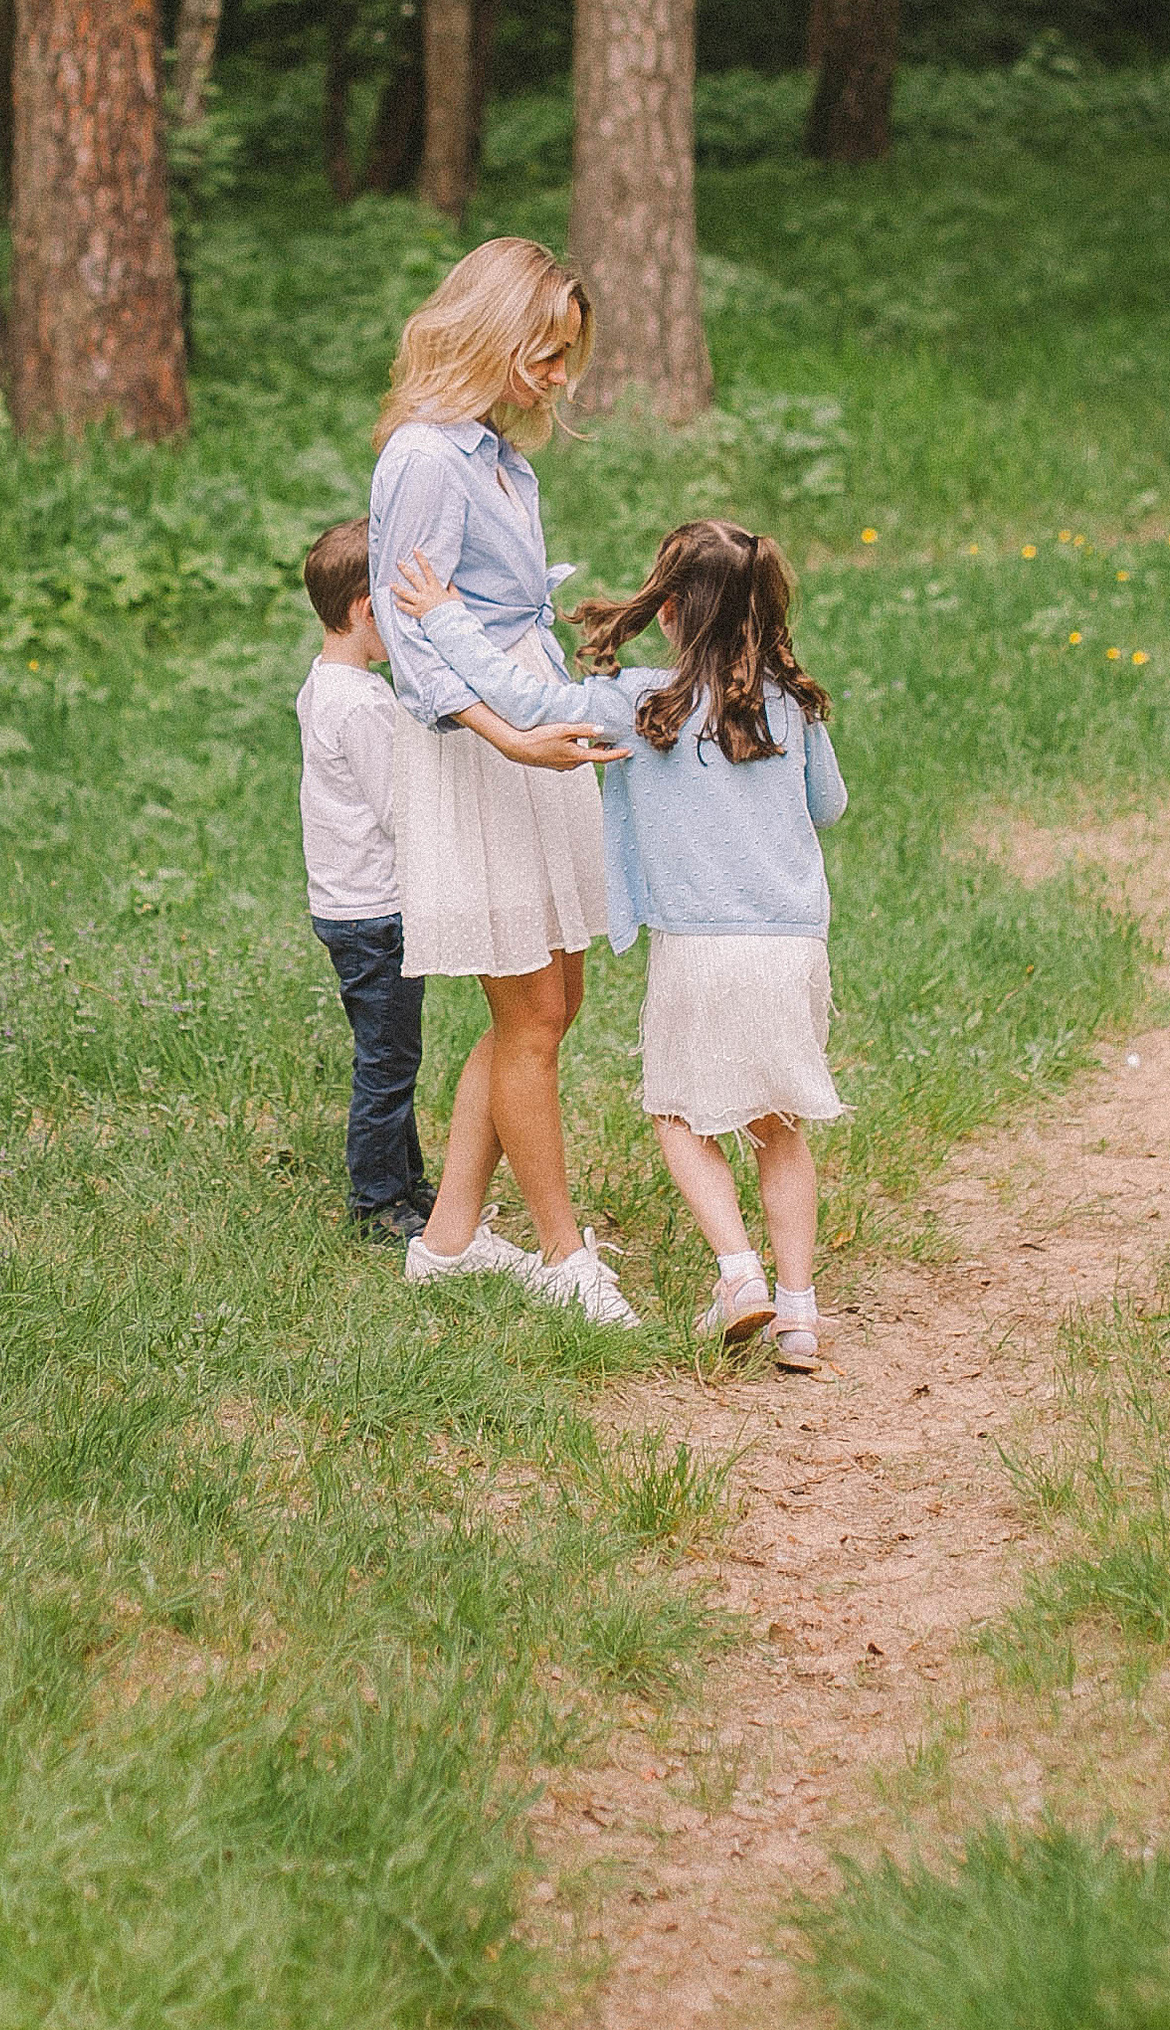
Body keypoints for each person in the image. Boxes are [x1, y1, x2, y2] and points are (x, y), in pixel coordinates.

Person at [391, 517, 847, 1373]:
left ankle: (738, 1274)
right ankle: (798, 1317)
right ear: (764, 610)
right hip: (792, 946)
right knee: (778, 1125)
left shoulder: (644, 703)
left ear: (667, 610)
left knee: (679, 1112)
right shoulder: (795, 705)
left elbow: (527, 704)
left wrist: (446, 616)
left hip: (699, 949)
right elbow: (828, 807)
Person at [368, 239, 638, 1328]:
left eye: (566, 359)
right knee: (525, 1009)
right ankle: (566, 1260)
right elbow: (408, 625)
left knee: (552, 1003)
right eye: (547, 355)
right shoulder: (424, 457)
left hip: (532, 722)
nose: (558, 380)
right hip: (481, 748)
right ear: (492, 333)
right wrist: (501, 736)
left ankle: (446, 1241)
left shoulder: (494, 457)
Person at [293, 519, 588, 1249]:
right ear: (369, 611)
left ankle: (410, 1182)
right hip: (373, 911)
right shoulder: (362, 705)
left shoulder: (326, 687)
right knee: (388, 1061)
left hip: (354, 906)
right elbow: (400, 810)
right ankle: (381, 1198)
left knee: (395, 1051)